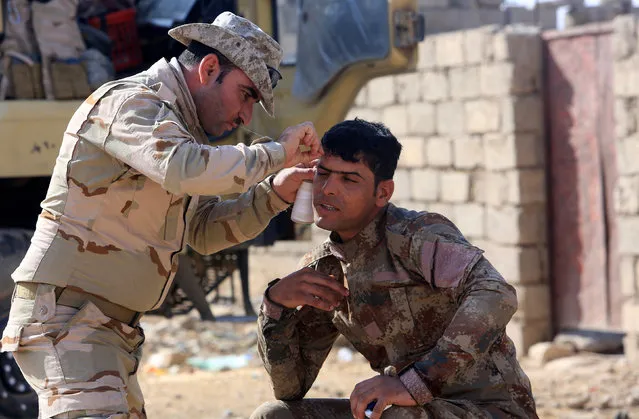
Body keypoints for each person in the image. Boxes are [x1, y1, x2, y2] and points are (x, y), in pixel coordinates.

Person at [0, 12, 322, 419]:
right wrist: (276, 154)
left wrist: (274, 195)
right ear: (208, 69)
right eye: (246, 95)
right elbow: (182, 168)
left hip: (106, 331)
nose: (246, 116)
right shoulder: (133, 102)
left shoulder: (181, 132)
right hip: (68, 323)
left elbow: (203, 231)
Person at [251, 119, 538, 419]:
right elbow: (290, 388)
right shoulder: (325, 270)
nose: (329, 189)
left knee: (396, 416)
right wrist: (275, 306)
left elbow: (496, 293)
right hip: (411, 409)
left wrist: (417, 383)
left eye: (349, 180)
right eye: (323, 174)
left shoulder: (415, 236)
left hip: (490, 410)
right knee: (274, 415)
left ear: (382, 192)